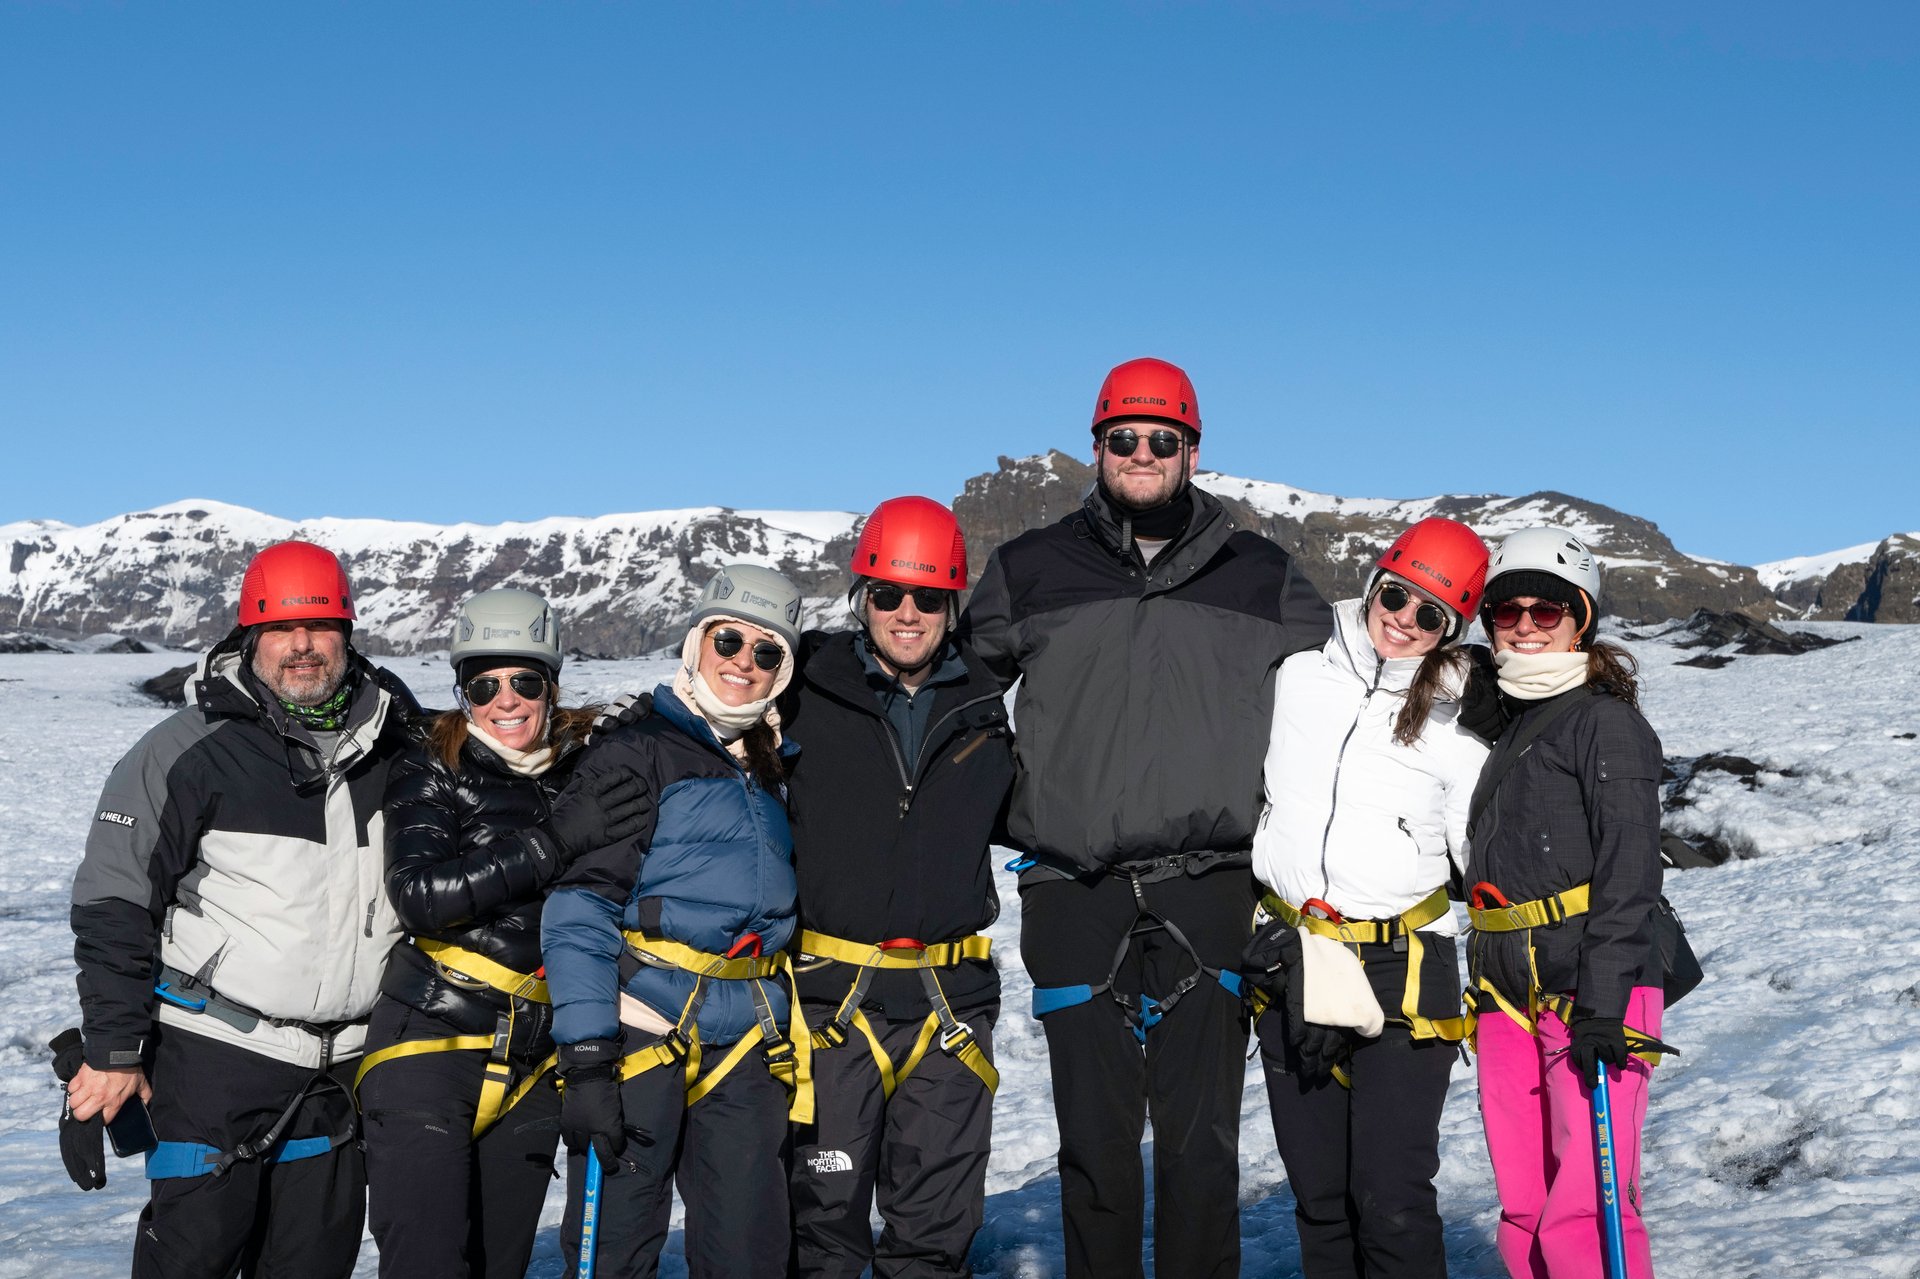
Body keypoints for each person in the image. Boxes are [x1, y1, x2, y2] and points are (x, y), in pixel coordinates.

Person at [961, 356, 1334, 1279]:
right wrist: (1025, 807)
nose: (1140, 453)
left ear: (1191, 450)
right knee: (1095, 1144)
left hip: (1211, 888)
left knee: (1201, 1146)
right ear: (1096, 447)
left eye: (1160, 439)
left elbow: (1345, 694)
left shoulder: (1261, 574)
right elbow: (956, 703)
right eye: (1121, 437)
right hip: (1073, 890)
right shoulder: (1031, 567)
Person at [64, 540, 421, 1279]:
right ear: (250, 633)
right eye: (283, 627)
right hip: (215, 1062)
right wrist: (114, 1050)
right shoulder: (186, 751)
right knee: (191, 1258)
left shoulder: (398, 743)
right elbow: (114, 902)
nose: (302, 646)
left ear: (347, 633)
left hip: (342, 1071)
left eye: (320, 626)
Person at [358, 588, 651, 1278]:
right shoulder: (432, 764)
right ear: (462, 693)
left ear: (550, 685)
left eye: (524, 680)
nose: (506, 700)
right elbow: (421, 896)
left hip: (534, 1058)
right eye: (483, 684)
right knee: (427, 1261)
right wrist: (550, 844)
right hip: (428, 1040)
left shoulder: (588, 769)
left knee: (502, 1263)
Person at [542, 564, 811, 1279]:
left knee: (749, 1255)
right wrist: (588, 1059)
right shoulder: (638, 750)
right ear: (697, 641)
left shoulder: (773, 764)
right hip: (643, 1033)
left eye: (767, 652)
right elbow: (579, 907)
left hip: (747, 1040)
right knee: (617, 1254)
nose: (743, 664)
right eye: (728, 639)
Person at [1244, 517, 1493, 1279]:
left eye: (1430, 616)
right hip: (1294, 955)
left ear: (1451, 630)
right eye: (1396, 596)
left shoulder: (1460, 722)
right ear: (1374, 581)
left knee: (1390, 1195)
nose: (1404, 621)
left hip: (1403, 966)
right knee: (1320, 1197)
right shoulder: (1296, 676)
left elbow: (1480, 852)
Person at [783, 496, 1016, 1278]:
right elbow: (709, 710)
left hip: (948, 1004)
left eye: (926, 597)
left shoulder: (986, 705)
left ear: (953, 602)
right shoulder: (804, 687)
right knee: (823, 1229)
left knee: (935, 1233)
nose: (906, 613)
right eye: (887, 594)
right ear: (862, 597)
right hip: (831, 1004)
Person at [1465, 527, 1669, 1279]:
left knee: (1588, 1203)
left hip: (1594, 987)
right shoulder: (1501, 721)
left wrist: (1603, 1005)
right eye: (1505, 609)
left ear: (1580, 616)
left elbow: (1630, 870)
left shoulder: (1605, 722)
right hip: (1506, 989)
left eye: (1546, 610)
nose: (1524, 623)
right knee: (1523, 1201)